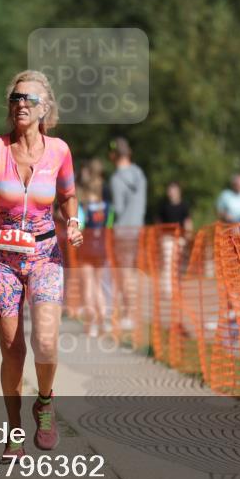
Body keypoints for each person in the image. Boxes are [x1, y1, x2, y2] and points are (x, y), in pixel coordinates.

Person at [0, 70, 82, 461]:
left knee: (45, 342)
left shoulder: (59, 151)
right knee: (13, 351)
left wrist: (74, 222)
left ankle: (44, 404)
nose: (20, 105)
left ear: (45, 107)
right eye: (15, 98)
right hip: (3, 260)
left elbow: (68, 196)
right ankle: (14, 432)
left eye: (28, 99)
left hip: (45, 256)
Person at [108, 137, 146, 332]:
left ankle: (128, 314)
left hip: (123, 231)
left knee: (124, 273)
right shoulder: (139, 174)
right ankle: (131, 313)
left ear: (114, 155)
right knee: (132, 271)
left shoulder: (116, 179)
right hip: (138, 228)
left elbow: (118, 209)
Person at [77, 166, 111, 338]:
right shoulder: (106, 208)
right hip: (101, 249)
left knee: (88, 287)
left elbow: (80, 227)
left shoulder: (83, 207)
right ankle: (103, 320)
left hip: (86, 249)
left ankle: (91, 326)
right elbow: (109, 226)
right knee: (98, 286)